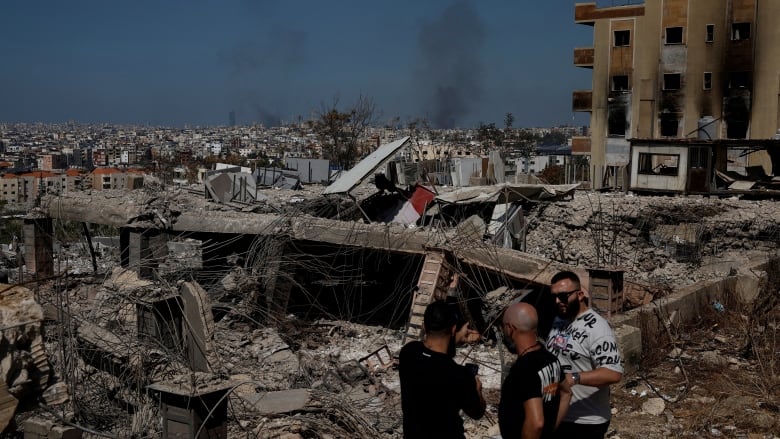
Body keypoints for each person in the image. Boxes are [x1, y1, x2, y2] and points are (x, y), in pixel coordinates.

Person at [545, 271, 623, 439]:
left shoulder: (598, 328)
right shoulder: (558, 320)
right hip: (558, 415)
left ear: (580, 295)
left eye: (563, 296)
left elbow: (613, 373)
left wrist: (572, 378)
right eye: (554, 297)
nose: (558, 301)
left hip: (586, 422)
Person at [399, 300, 486, 439]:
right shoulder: (459, 375)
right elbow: (477, 412)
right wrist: (478, 390)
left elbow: (436, 357)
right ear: (452, 329)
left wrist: (455, 337)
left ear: (425, 325)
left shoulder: (408, 353)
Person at [499, 302, 572, 439]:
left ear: (510, 328)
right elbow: (567, 393)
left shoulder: (524, 370)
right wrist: (550, 430)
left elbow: (536, 423)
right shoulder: (550, 359)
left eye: (503, 326)